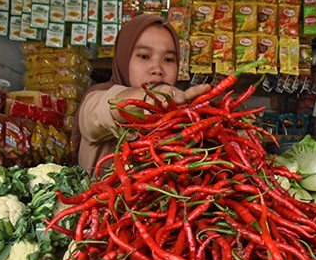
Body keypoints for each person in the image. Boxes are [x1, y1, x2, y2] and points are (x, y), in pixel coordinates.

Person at [71, 14, 211, 174]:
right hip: (101, 199)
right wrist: (149, 97)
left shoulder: (183, 117)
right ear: (123, 58)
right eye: (144, 56)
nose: (157, 69)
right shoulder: (97, 96)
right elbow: (104, 110)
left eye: (169, 59)